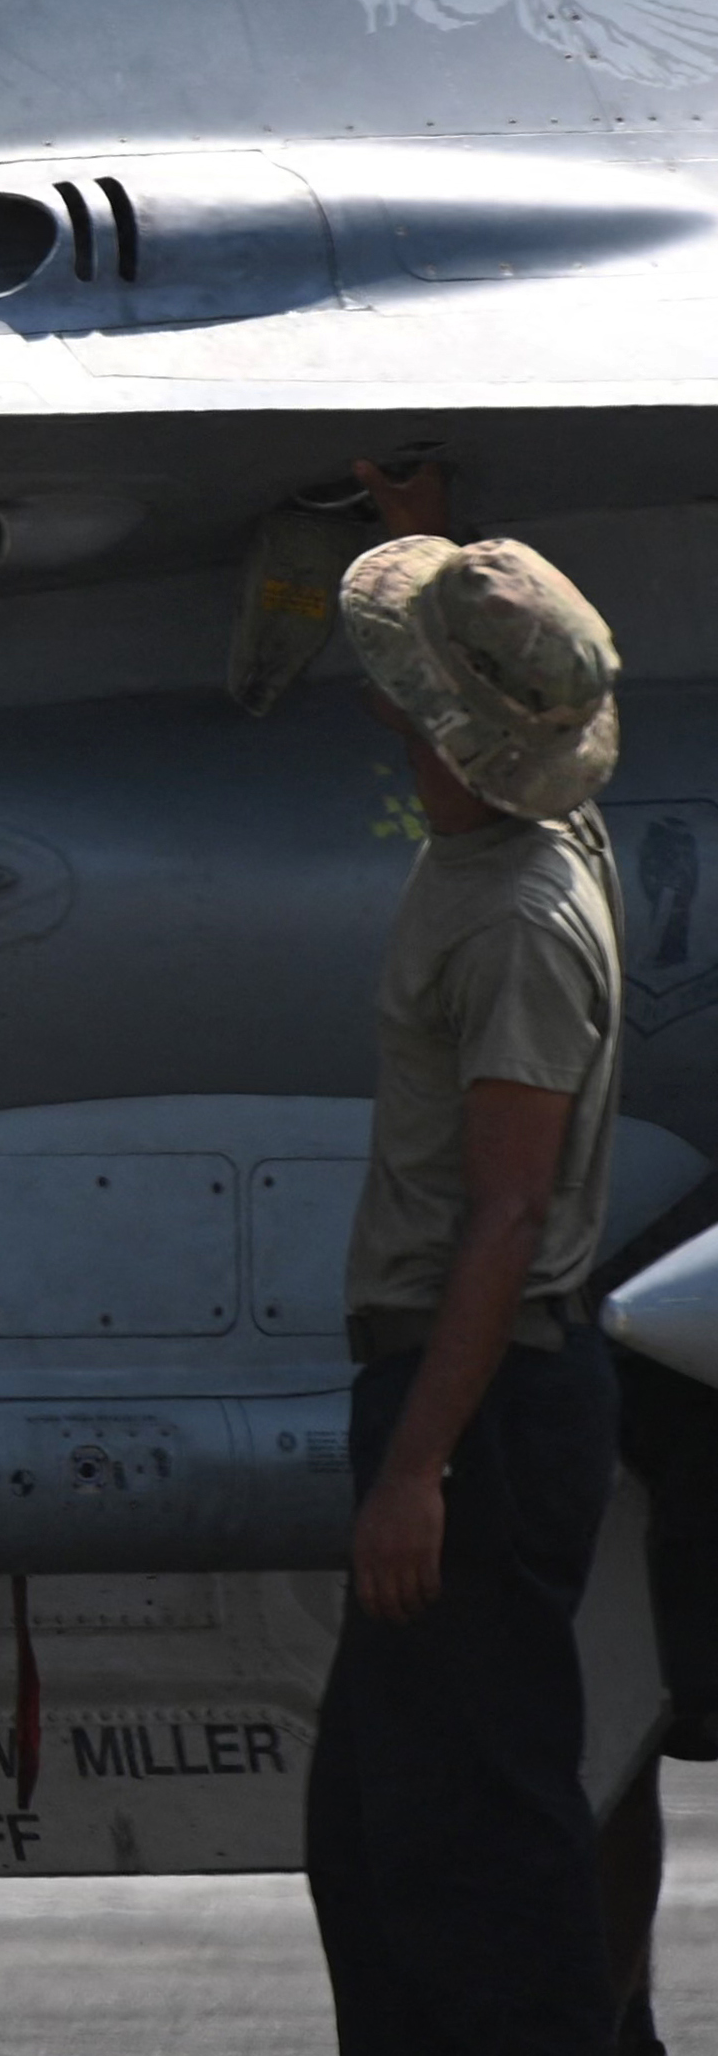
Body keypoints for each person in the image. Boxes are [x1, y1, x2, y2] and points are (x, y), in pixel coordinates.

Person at [311, 457, 634, 2056]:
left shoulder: (518, 919)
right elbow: (452, 696)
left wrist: (417, 1469)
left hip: (480, 1405)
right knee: (380, 1844)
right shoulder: (531, 815)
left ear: (461, 741)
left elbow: (507, 1214)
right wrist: (410, 545)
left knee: (475, 1862)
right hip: (470, 1390)